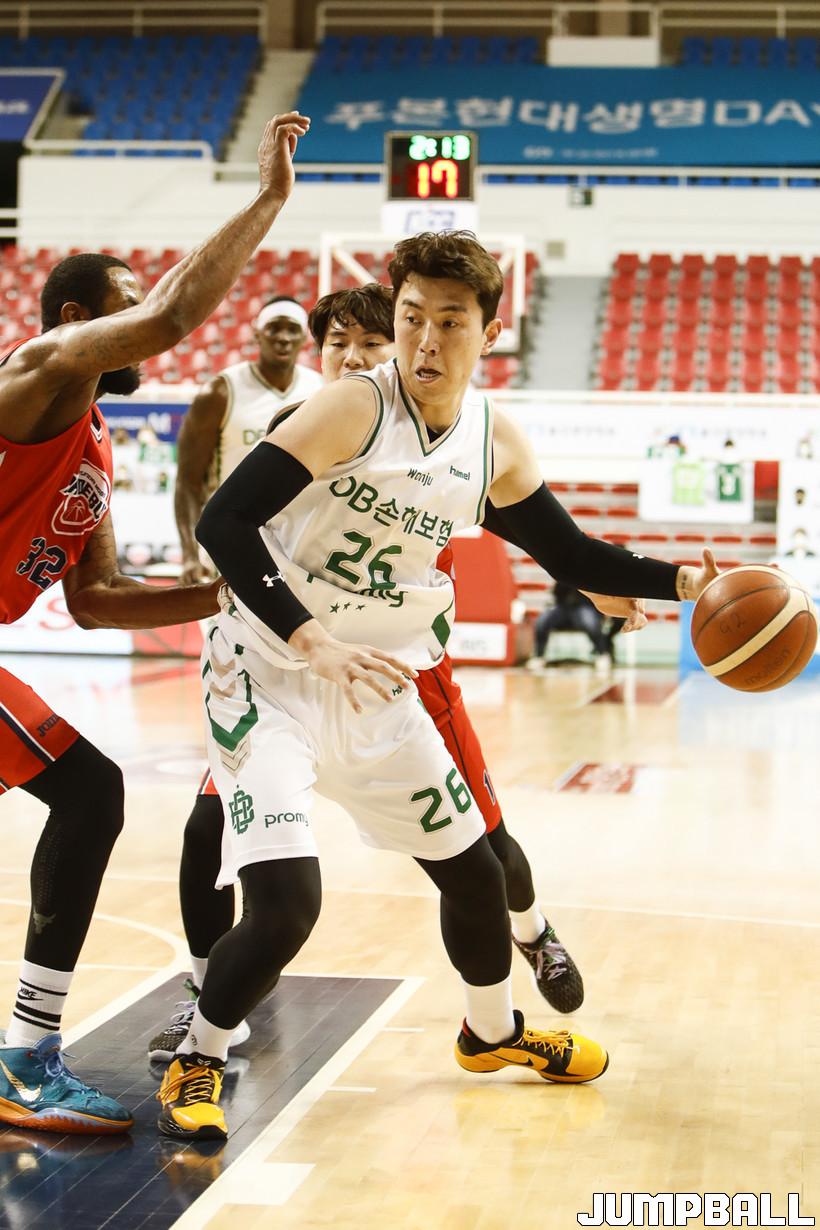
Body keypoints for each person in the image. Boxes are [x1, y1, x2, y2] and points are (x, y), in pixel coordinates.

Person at [155, 231, 717, 1141]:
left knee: (478, 873)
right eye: (412, 317)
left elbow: (570, 553)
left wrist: (691, 583)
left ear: (489, 333)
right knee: (289, 903)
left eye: (450, 322)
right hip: (269, 674)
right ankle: (200, 1054)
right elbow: (225, 519)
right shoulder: (351, 406)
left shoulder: (492, 440)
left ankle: (490, 1034)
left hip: (380, 678)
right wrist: (310, 636)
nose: (425, 339)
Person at [148, 283, 611, 1065]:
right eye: (341, 345)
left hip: (401, 664)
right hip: (280, 661)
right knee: (216, 837)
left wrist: (599, 574)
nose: (358, 357)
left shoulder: (436, 429)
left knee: (484, 849)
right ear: (321, 356)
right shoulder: (309, 423)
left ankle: (530, 940)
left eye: (373, 343)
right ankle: (206, 1009)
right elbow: (222, 518)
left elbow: (530, 525)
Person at [0, 110, 310, 1134]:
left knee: (89, 795)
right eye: (124, 305)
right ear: (80, 318)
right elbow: (176, 315)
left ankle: (26, 1053)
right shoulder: (40, 367)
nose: (145, 318)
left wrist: (235, 590)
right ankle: (26, 1056)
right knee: (89, 793)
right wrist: (267, 200)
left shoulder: (90, 445)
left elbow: (95, 602)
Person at [174, 297, 323, 584]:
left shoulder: (319, 389)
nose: (283, 338)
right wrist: (190, 556)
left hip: (296, 549)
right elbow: (188, 482)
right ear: (257, 333)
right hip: (230, 542)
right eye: (274, 328)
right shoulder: (219, 392)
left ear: (304, 337)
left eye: (292, 329)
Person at [528, 581, 620, 671]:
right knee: (542, 621)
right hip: (563, 607)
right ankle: (538, 656)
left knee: (590, 622)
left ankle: (603, 654)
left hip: (585, 605)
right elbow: (556, 593)